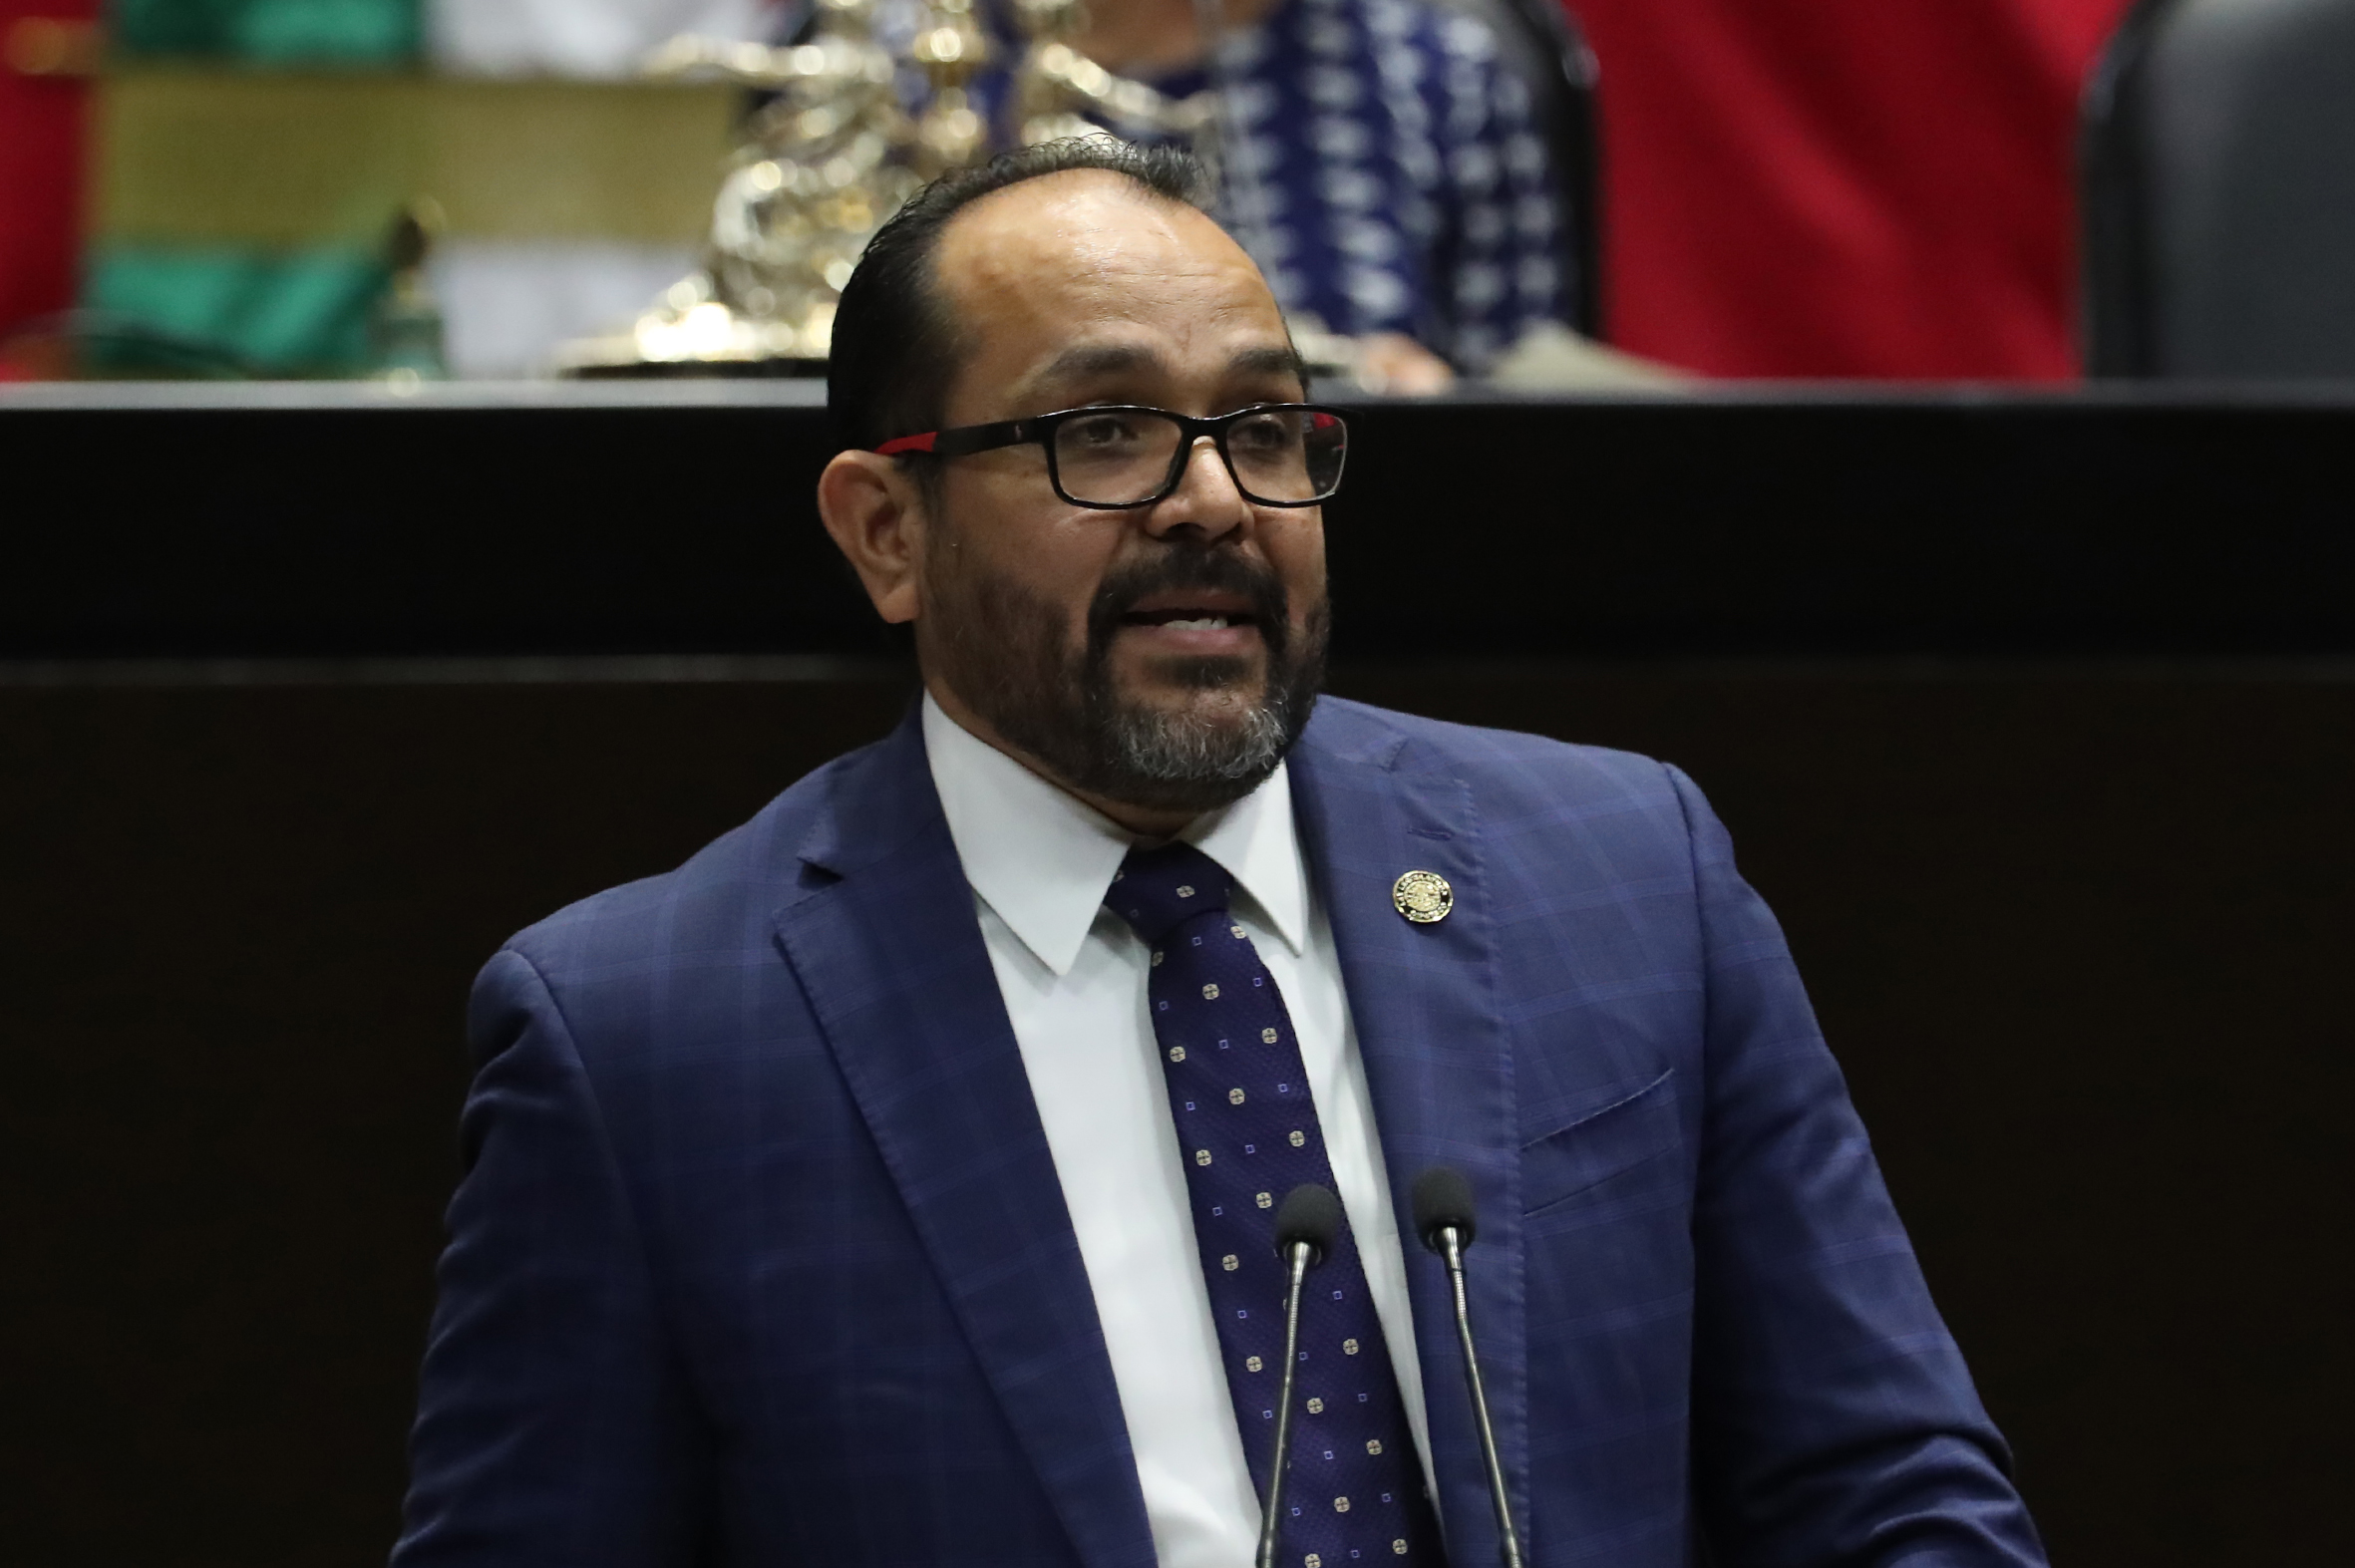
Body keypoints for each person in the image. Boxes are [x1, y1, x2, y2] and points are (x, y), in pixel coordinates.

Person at [393, 139, 2045, 1568]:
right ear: (887, 532)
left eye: (1264, 427)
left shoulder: (1619, 877)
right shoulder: (649, 1040)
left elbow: (1885, 1488)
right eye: (1104, 430)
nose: (1213, 501)